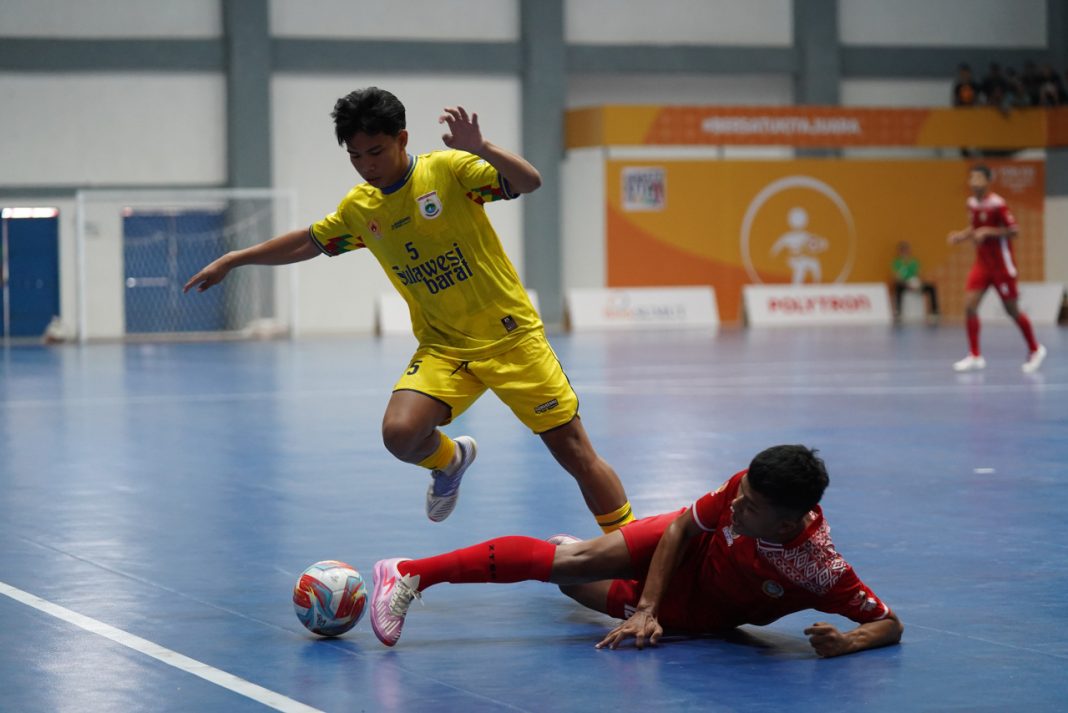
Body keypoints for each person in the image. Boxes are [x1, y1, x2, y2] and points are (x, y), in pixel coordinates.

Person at [184, 87, 635, 533]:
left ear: (402, 138)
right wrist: (234, 259)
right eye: (356, 156)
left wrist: (483, 148)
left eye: (375, 151)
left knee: (575, 453)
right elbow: (310, 241)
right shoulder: (361, 208)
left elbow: (528, 182)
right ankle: (451, 459)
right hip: (445, 348)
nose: (367, 166)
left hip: (512, 340)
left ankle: (633, 548)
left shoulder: (449, 171)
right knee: (399, 435)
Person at [369, 444, 904, 658]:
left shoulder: (817, 567)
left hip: (698, 611)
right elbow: (681, 530)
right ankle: (409, 573)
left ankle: (588, 555)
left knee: (570, 580)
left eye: (750, 507)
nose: (736, 507)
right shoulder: (746, 487)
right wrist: (646, 607)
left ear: (788, 521)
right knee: (570, 564)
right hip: (679, 551)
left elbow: (888, 623)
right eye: (738, 497)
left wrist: (849, 643)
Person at [947, 164, 1046, 373]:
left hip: (1002, 266)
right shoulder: (972, 203)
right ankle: (975, 355)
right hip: (982, 265)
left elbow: (1013, 230)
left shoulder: (998, 204)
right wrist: (961, 236)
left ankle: (1035, 349)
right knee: (969, 305)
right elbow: (975, 228)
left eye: (978, 178)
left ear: (987, 181)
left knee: (1012, 310)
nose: (974, 182)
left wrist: (988, 232)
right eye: (971, 178)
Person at [890, 241, 939, 325]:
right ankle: (898, 312)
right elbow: (896, 277)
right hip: (904, 284)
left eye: (906, 250)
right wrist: (907, 283)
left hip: (915, 283)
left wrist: (917, 283)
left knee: (931, 287)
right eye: (903, 250)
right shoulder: (897, 263)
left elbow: (919, 275)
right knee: (898, 287)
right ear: (900, 251)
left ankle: (934, 312)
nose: (905, 252)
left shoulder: (914, 262)